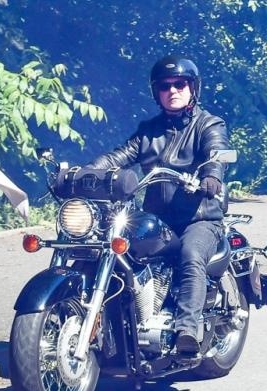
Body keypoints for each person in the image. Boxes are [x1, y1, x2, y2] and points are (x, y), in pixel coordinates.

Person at [84, 55, 227, 357]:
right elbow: (118, 157)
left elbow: (217, 151)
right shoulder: (148, 131)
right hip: (156, 220)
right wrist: (88, 173)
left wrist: (212, 175)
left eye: (180, 84)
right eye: (165, 86)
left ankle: (188, 330)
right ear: (156, 92)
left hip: (197, 218)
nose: (172, 91)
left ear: (192, 88)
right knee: (109, 248)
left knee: (190, 253)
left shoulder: (208, 124)